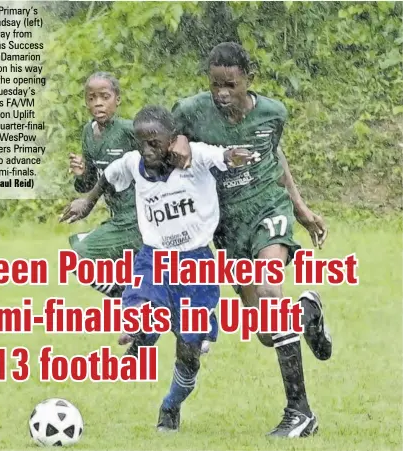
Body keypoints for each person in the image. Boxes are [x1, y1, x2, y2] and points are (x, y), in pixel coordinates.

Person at [126, 42, 332, 438]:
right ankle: (307, 312)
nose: (221, 93)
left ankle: (300, 413)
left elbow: (276, 157)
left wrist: (302, 211)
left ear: (247, 78)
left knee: (270, 290)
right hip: (227, 226)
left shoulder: (274, 113)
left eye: (230, 85)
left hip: (267, 208)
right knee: (267, 329)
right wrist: (180, 140)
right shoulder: (191, 110)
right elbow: (166, 137)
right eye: (215, 85)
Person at [60, 105, 259, 432]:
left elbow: (222, 156)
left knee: (189, 352)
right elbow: (109, 176)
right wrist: (88, 201)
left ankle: (171, 405)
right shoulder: (133, 165)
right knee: (140, 301)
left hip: (196, 264)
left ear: (173, 139)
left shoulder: (193, 157)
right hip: (154, 258)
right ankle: (137, 326)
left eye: (154, 143)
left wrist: (236, 155)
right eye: (141, 143)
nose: (147, 150)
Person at [67, 71, 143, 297]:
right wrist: (82, 174)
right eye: (92, 98)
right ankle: (129, 294)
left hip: (136, 218)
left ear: (117, 100)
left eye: (104, 96)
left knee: (79, 255)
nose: (98, 103)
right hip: (117, 218)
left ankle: (123, 293)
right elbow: (88, 185)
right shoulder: (88, 133)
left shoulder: (129, 130)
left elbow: (160, 148)